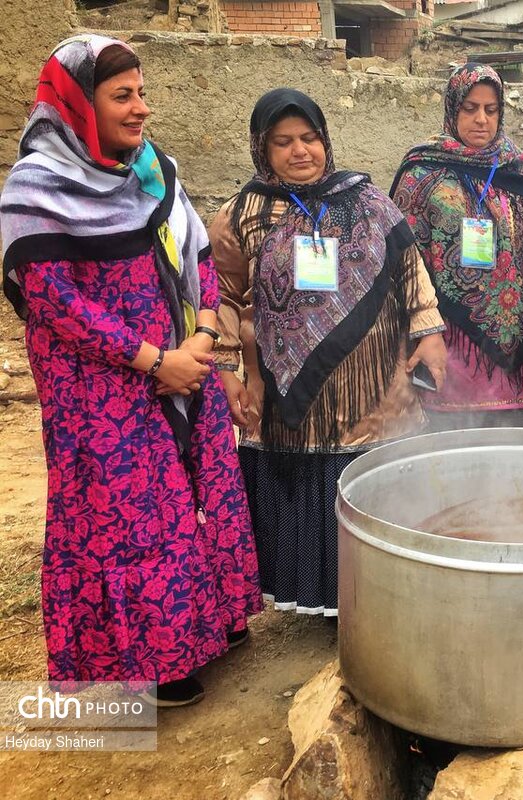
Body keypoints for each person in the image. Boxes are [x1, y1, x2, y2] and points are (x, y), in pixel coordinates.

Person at [0, 35, 261, 705]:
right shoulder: (39, 185)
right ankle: (154, 659)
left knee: (201, 491)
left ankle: (213, 618)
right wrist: (153, 362)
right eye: (122, 97)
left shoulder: (153, 170)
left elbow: (199, 254)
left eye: (142, 93)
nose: (141, 108)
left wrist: (202, 335)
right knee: (134, 515)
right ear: (80, 105)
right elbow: (53, 299)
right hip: (99, 387)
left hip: (185, 362)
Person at [209, 89, 446, 618]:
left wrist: (428, 330)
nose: (300, 152)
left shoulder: (367, 201)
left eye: (309, 138)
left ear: (326, 140)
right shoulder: (240, 213)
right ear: (261, 148)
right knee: (307, 487)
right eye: (283, 142)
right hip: (284, 390)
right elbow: (222, 295)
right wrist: (225, 369)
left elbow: (410, 269)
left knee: (371, 483)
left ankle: (380, 593)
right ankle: (323, 599)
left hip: (373, 386)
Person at [392, 63, 523, 430]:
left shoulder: (522, 171)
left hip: (518, 344)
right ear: (453, 109)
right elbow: (404, 263)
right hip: (447, 343)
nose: (481, 119)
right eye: (470, 108)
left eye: (491, 110)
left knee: (520, 462)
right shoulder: (421, 172)